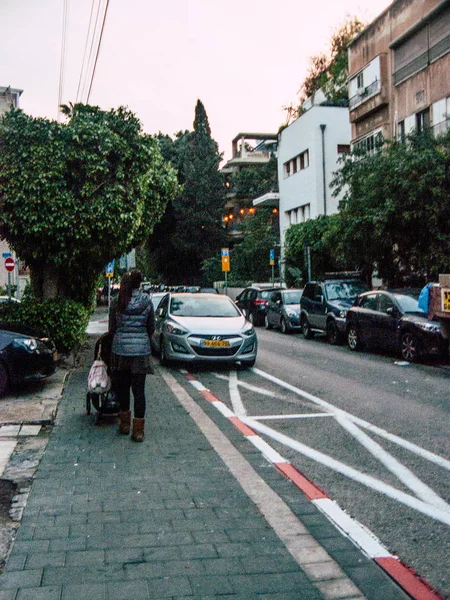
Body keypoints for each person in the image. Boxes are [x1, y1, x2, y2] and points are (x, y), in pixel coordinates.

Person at [108, 271, 155, 442]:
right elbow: (151, 327)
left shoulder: (117, 301)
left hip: (120, 351)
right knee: (139, 391)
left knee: (123, 389)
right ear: (139, 284)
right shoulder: (147, 301)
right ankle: (138, 431)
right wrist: (142, 338)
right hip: (141, 352)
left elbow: (111, 328)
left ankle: (125, 425)